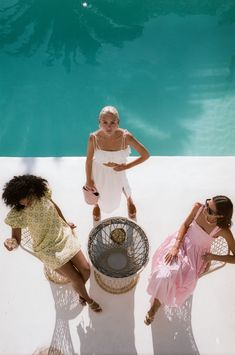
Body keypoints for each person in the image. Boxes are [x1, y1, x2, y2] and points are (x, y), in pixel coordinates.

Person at [2, 174, 102, 312]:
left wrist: (65, 223)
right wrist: (11, 244)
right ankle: (88, 300)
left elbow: (55, 208)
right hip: (47, 249)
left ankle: (80, 292)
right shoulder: (18, 213)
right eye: (19, 201)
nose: (23, 203)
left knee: (85, 269)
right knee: (77, 279)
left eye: (24, 198)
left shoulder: (43, 194)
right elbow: (16, 238)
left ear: (31, 191)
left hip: (63, 235)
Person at [144, 195, 235, 325]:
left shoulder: (223, 231)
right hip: (180, 243)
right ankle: (155, 305)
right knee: (165, 274)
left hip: (196, 257)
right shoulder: (198, 208)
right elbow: (185, 225)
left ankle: (154, 307)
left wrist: (213, 257)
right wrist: (176, 246)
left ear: (220, 216)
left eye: (210, 210)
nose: (205, 209)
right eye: (207, 203)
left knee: (171, 275)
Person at [85, 106, 150, 221]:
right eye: (104, 122)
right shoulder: (93, 138)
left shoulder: (126, 137)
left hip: (118, 170)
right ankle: (96, 205)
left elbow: (145, 155)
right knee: (97, 189)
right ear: (99, 123)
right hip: (99, 170)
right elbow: (89, 160)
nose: (108, 126)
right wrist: (88, 180)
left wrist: (126, 166)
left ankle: (129, 201)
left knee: (124, 185)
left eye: (112, 122)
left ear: (118, 122)